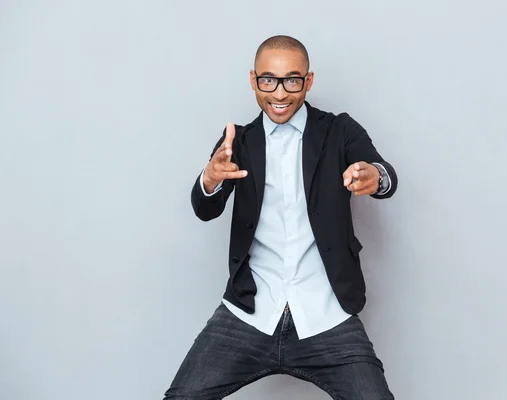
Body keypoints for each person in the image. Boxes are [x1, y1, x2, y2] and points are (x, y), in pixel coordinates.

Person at [163, 35, 398, 400]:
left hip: (326, 312)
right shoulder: (237, 142)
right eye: (268, 80)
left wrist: (374, 176)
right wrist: (209, 180)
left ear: (309, 80)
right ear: (254, 79)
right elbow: (205, 208)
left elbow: (384, 174)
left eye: (292, 80)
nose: (280, 93)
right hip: (248, 313)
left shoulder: (339, 130)